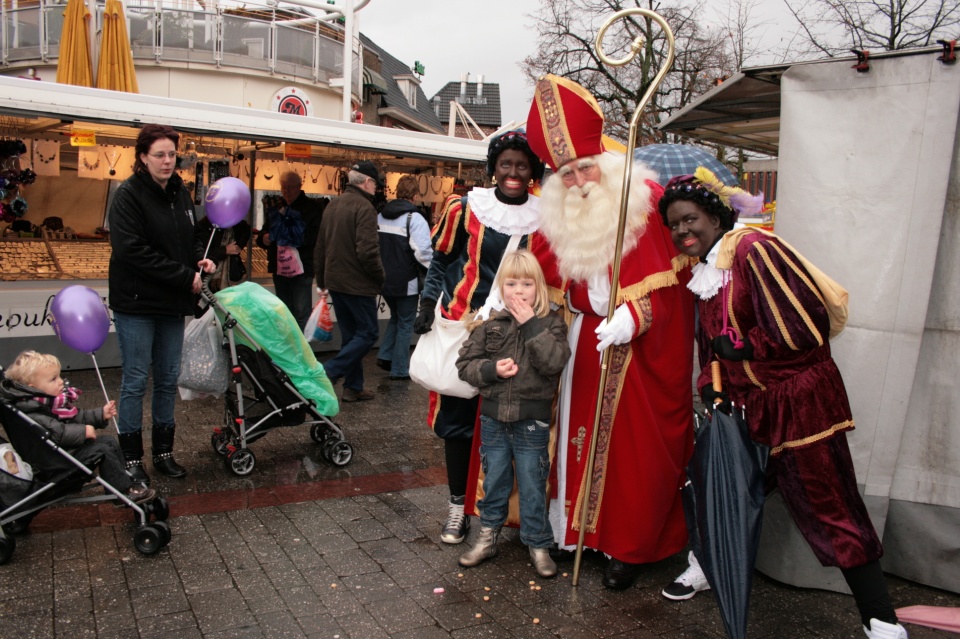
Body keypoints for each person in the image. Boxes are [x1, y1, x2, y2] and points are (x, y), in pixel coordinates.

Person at [659, 168, 908, 639]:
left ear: (715, 217)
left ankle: (880, 618)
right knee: (721, 487)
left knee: (830, 502)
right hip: (747, 407)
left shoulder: (755, 250)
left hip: (799, 402)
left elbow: (806, 323)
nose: (682, 231)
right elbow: (710, 346)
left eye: (690, 219)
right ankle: (708, 566)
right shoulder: (704, 272)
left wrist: (748, 346)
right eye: (674, 225)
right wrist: (710, 381)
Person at [525, 74, 696, 590]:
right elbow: (542, 280)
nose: (578, 181)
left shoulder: (644, 200)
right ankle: (577, 533)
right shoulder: (557, 216)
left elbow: (674, 284)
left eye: (584, 166)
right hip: (583, 345)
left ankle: (628, 545)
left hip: (639, 355)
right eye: (566, 173)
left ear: (603, 156)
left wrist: (635, 315)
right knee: (575, 441)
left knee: (633, 452)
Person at [414, 130, 545, 545]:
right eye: (505, 164)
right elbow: (441, 261)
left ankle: (496, 512)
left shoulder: (545, 218)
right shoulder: (465, 208)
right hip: (465, 333)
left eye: (521, 165)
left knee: (505, 426)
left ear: (532, 171)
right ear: (493, 168)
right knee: (458, 424)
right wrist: (426, 303)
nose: (513, 172)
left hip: (514, 338)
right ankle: (457, 509)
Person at [108, 123, 215, 485]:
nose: (167, 161)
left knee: (168, 379)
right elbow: (132, 251)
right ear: (143, 157)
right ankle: (131, 458)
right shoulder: (128, 195)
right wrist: (184, 277)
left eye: (171, 154)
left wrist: (199, 258)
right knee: (136, 380)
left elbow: (191, 237)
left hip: (171, 303)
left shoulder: (180, 193)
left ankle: (164, 453)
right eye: (159, 155)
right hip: (137, 303)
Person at [454, 250, 570, 578]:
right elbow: (465, 365)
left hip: (532, 422)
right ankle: (487, 537)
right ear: (501, 287)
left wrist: (530, 325)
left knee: (533, 483)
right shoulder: (489, 321)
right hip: (493, 420)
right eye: (512, 283)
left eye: (527, 284)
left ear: (539, 288)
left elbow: (554, 363)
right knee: (494, 480)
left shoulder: (551, 323)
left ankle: (538, 543)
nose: (519, 291)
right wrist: (491, 370)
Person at [2, 351, 156, 504]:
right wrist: (83, 432)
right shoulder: (33, 411)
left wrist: (100, 414)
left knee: (108, 441)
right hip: (55, 463)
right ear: (33, 387)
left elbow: (75, 416)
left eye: (59, 376)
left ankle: (122, 483)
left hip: (61, 452)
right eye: (53, 379)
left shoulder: (44, 402)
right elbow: (58, 433)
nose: (61, 382)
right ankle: (123, 491)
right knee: (102, 450)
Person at [314, 160, 385, 402]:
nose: (376, 188)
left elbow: (321, 246)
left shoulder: (333, 205)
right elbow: (368, 251)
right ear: (367, 182)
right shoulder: (364, 207)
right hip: (357, 283)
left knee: (351, 334)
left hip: (336, 281)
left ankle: (353, 386)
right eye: (375, 183)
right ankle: (329, 372)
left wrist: (322, 280)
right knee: (368, 333)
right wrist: (380, 277)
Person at [376, 174, 433, 381]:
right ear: (415, 195)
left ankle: (385, 355)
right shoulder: (414, 219)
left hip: (384, 279)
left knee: (396, 317)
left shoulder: (380, 216)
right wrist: (433, 270)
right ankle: (399, 369)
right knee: (406, 323)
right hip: (406, 280)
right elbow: (423, 252)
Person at [256, 171, 325, 330]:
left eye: (290, 188)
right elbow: (264, 231)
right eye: (283, 187)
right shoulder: (276, 207)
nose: (286, 191)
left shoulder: (312, 208)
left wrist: (293, 235)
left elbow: (317, 237)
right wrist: (264, 238)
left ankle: (301, 344)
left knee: (301, 312)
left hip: (302, 268)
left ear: (299, 187)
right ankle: (287, 343)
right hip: (280, 268)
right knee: (283, 311)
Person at [194, 216, 252, 293]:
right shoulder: (205, 225)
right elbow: (201, 253)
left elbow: (245, 230)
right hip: (209, 275)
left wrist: (238, 246)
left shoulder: (237, 227)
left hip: (230, 273)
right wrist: (224, 250)